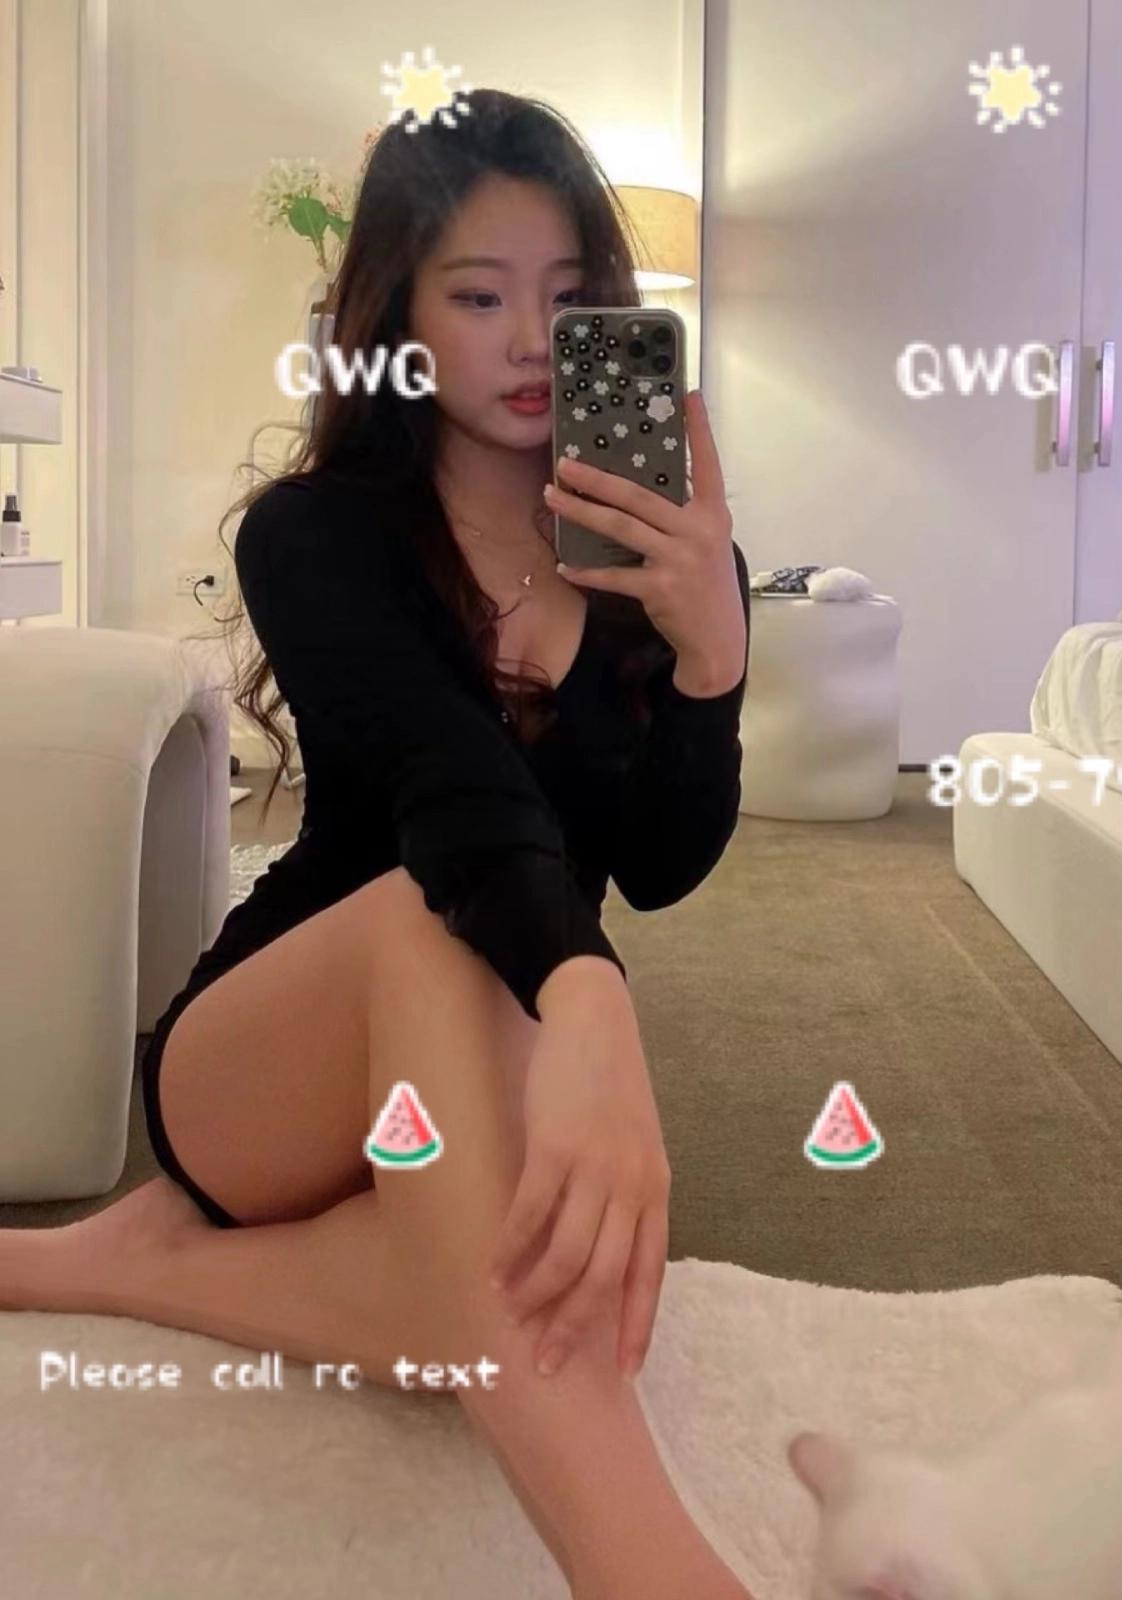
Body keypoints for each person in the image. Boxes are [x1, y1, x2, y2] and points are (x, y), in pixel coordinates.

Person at [0, 90, 755, 1600]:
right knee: (433, 910)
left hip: (495, 1035)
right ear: (398, 320)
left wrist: (710, 660)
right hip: (269, 1064)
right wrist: (591, 1002)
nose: (531, 341)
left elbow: (660, 864)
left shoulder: (656, 556)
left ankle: (136, 1264)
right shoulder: (314, 531)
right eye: (478, 299)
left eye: (569, 300)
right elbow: (452, 794)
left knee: (479, 1303)